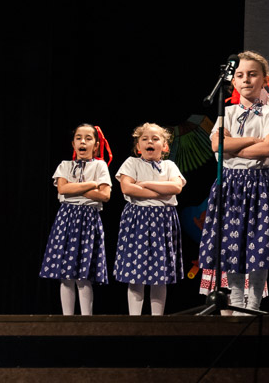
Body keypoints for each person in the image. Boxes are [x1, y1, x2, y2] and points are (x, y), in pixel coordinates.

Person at [198, 50, 269, 313]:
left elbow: (268, 149)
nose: (246, 79)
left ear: (265, 79)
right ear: (233, 81)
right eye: (240, 75)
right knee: (232, 242)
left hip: (258, 182)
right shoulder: (225, 113)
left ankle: (254, 302)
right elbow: (218, 146)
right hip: (230, 182)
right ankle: (236, 301)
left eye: (252, 74)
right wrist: (253, 140)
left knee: (259, 243)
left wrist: (234, 145)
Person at [40, 123, 113, 315]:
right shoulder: (65, 165)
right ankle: (67, 320)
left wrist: (77, 190)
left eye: (88, 139)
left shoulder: (100, 165)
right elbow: (63, 189)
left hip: (89, 219)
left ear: (96, 145)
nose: (83, 142)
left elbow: (105, 195)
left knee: (84, 274)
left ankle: (86, 320)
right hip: (66, 219)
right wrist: (91, 184)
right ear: (73, 143)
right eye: (79, 138)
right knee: (66, 274)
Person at [114, 122, 186, 316]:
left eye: (155, 139)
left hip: (163, 220)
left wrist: (144, 184)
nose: (149, 142)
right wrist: (160, 192)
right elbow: (127, 188)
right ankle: (134, 319)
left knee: (159, 273)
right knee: (135, 272)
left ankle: (158, 320)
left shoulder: (170, 166)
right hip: (137, 219)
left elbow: (176, 188)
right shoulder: (132, 163)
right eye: (144, 139)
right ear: (138, 146)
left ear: (165, 146)